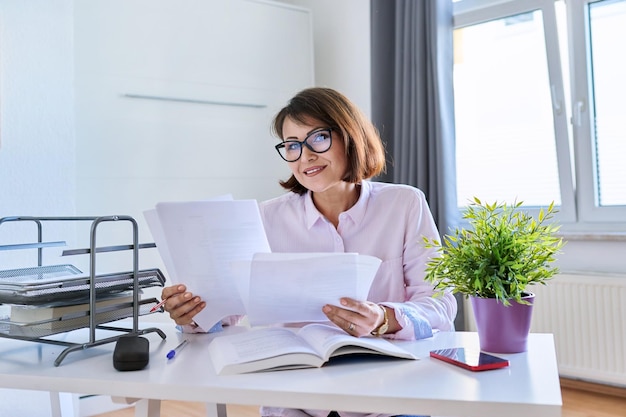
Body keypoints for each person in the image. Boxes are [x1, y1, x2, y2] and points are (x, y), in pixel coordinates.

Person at [160, 87, 457, 417]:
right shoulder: (266, 218)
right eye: (292, 145)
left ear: (350, 136)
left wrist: (384, 318)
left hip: (389, 398)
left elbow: (440, 305)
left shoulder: (404, 204)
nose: (305, 155)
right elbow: (226, 314)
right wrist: (194, 314)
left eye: (318, 138)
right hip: (297, 402)